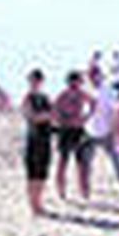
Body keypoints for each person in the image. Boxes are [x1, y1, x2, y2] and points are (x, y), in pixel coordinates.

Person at [52, 70, 95, 201]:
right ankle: (61, 190)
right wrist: (62, 120)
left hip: (78, 129)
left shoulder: (82, 94)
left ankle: (84, 191)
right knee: (63, 161)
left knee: (82, 163)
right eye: (74, 82)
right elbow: (54, 109)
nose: (75, 85)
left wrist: (85, 118)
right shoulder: (62, 95)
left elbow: (94, 103)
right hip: (66, 130)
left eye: (78, 82)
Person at [85, 65, 119, 188]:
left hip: (106, 131)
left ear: (100, 76)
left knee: (116, 160)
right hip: (89, 131)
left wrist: (115, 130)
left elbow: (115, 110)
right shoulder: (87, 90)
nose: (93, 78)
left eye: (95, 75)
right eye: (91, 75)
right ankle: (85, 189)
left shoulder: (107, 91)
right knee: (86, 162)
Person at [21, 70, 55, 216]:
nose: (35, 83)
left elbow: (53, 116)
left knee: (42, 173)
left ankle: (39, 202)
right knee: (32, 173)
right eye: (33, 80)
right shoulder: (28, 98)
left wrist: (48, 117)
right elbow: (31, 117)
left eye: (38, 80)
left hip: (45, 138)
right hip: (33, 139)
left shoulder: (45, 98)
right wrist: (47, 116)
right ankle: (33, 205)